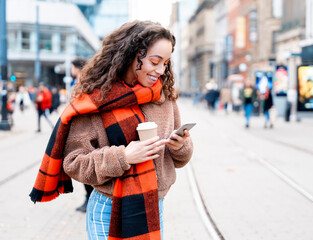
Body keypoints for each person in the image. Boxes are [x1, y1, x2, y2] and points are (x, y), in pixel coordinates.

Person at [29, 20, 193, 240]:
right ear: (131, 54)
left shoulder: (164, 97)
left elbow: (180, 159)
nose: (160, 71)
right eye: (155, 61)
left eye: (165, 63)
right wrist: (123, 156)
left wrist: (180, 146)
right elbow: (74, 163)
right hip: (108, 209)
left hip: (154, 207)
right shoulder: (95, 100)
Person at [69, 57, 94, 213]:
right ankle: (88, 199)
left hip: (84, 128)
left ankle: (89, 200)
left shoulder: (84, 83)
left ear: (77, 68)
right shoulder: (83, 81)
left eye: (72, 67)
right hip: (80, 127)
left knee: (85, 166)